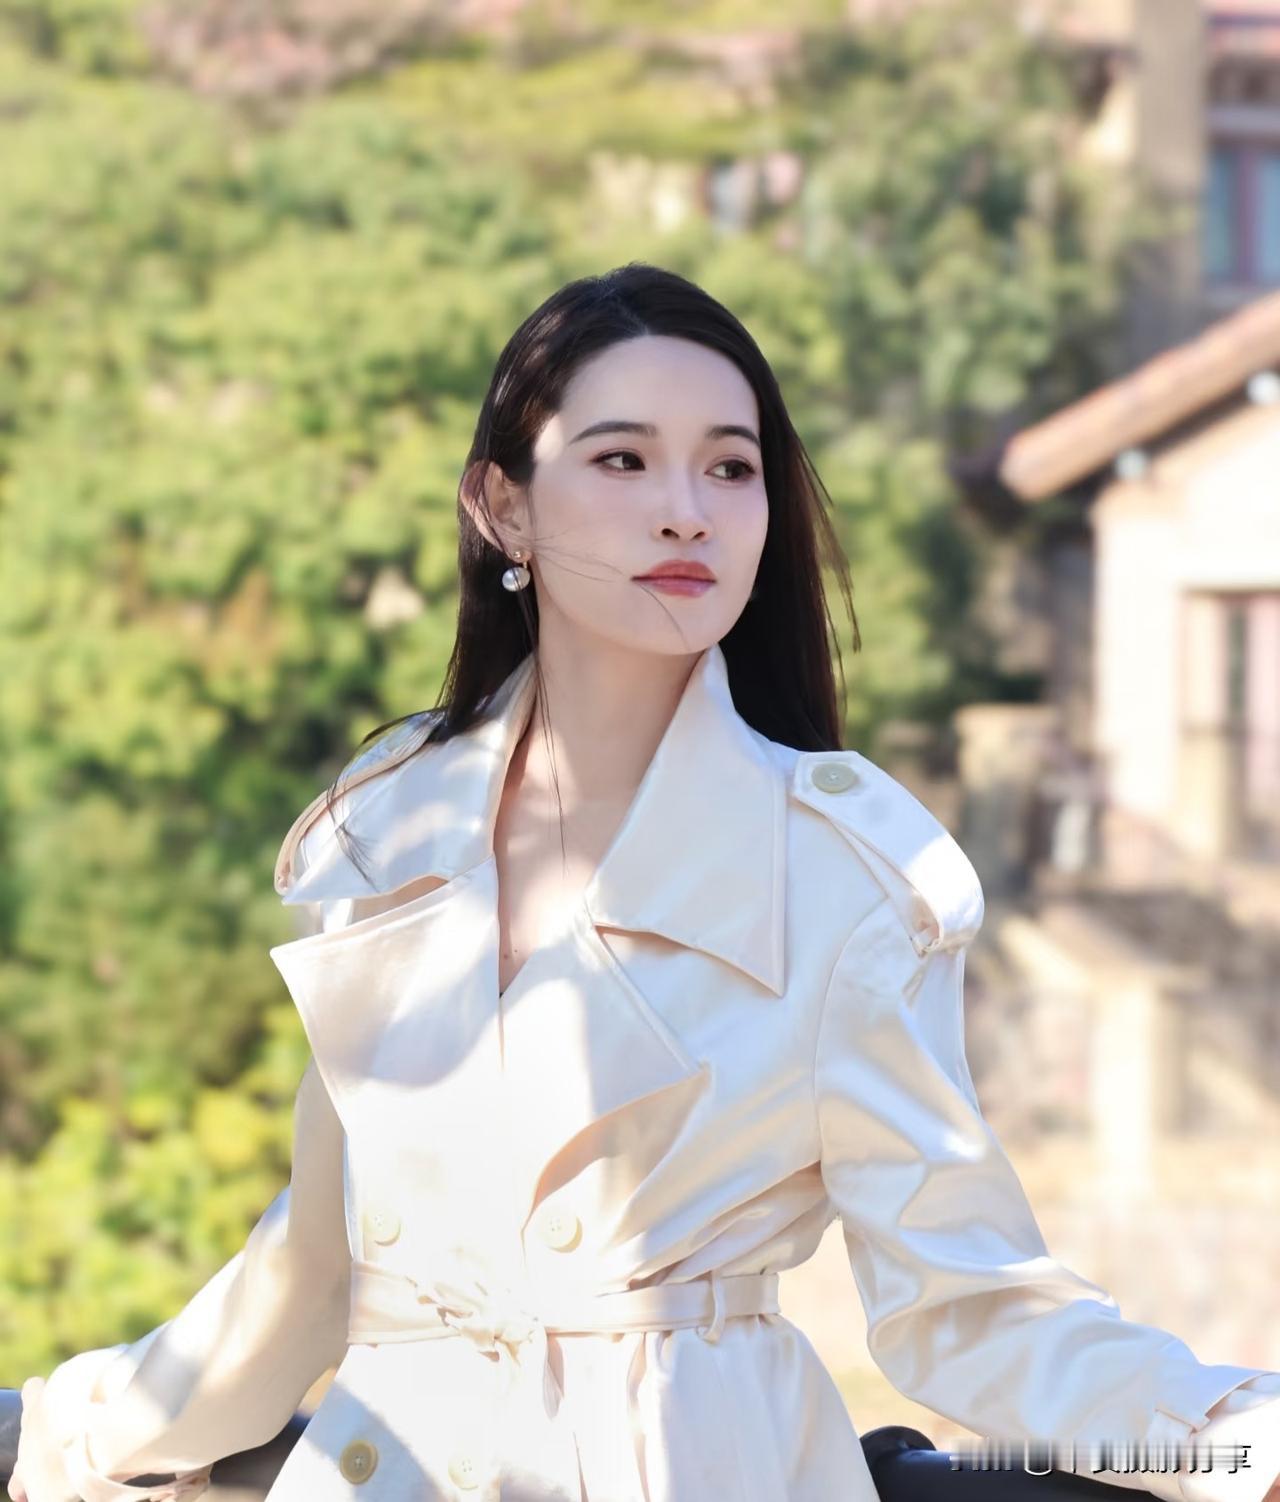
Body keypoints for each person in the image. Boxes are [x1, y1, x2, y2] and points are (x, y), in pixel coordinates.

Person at [11, 263, 1280, 1502]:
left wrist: (1231, 1439)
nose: (686, 511)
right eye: (621, 459)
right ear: (502, 507)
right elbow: (310, 1272)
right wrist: (61, 1438)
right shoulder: (393, 823)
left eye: (729, 467)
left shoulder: (836, 868)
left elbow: (967, 1301)